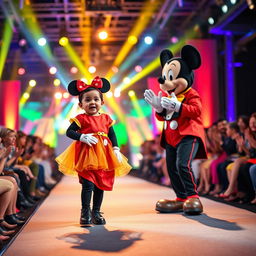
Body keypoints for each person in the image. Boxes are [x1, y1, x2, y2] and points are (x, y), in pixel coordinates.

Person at [56, 76, 132, 226]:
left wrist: (116, 148)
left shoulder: (106, 118)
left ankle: (96, 211)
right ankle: (85, 212)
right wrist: (82, 136)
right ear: (81, 104)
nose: (92, 102)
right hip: (87, 155)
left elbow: (112, 134)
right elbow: (69, 132)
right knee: (88, 184)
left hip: (104, 155)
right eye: (88, 100)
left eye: (96, 99)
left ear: (102, 103)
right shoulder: (81, 118)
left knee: (100, 184)